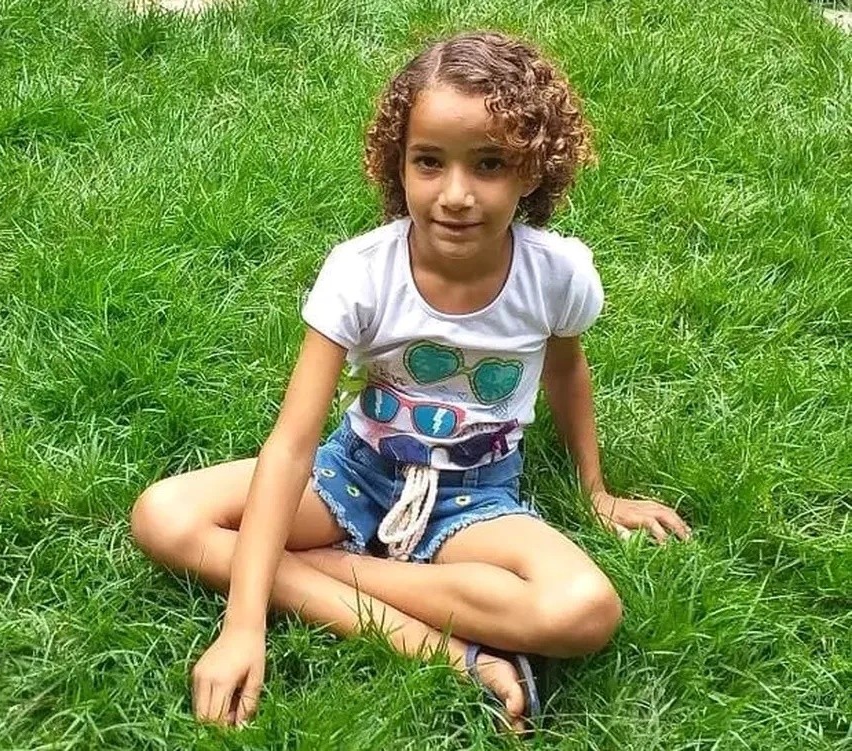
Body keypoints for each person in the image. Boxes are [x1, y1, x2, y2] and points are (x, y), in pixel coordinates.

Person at [130, 30, 692, 734]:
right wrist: (244, 626)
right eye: (430, 161)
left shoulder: (557, 274)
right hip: (355, 474)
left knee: (584, 609)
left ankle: (322, 569)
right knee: (164, 514)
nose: (456, 194)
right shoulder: (362, 272)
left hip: (476, 497)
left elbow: (566, 367)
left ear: (532, 169)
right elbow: (292, 444)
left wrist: (596, 489)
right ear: (398, 164)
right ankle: (445, 650)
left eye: (489, 164)